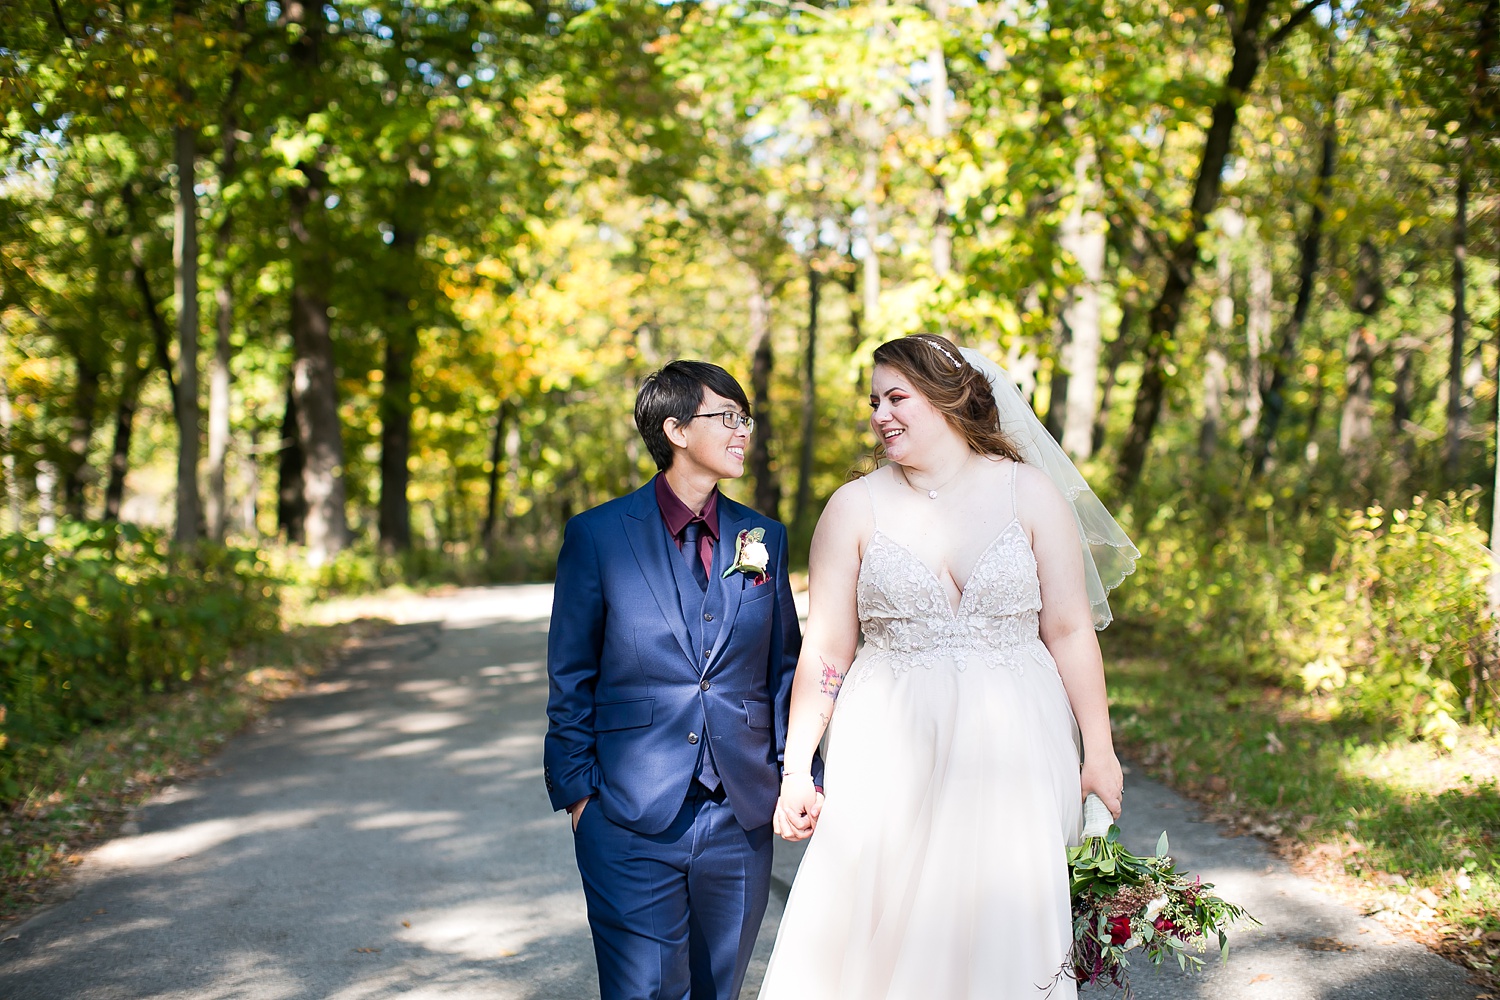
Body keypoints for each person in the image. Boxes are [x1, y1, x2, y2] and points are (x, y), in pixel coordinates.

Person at [758, 334, 1138, 999]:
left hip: (1016, 739)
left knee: (1000, 924)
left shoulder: (1030, 494)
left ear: (949, 397)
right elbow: (826, 651)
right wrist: (797, 770)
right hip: (889, 742)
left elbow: (1071, 629)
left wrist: (1099, 751)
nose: (880, 414)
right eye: (874, 401)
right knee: (885, 924)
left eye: (896, 397)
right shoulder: (853, 506)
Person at [544, 360, 817, 1000]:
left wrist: (797, 772)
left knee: (716, 991)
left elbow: (782, 668)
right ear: (675, 430)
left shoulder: (763, 537)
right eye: (725, 417)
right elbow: (570, 679)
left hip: (740, 815)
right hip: (628, 814)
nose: (742, 430)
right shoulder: (598, 536)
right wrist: (584, 801)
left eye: (744, 417)